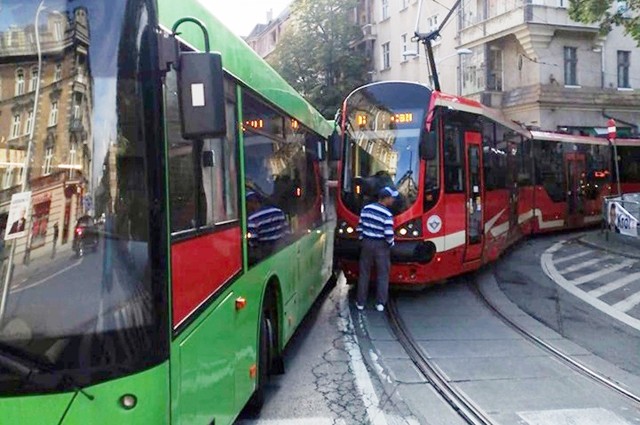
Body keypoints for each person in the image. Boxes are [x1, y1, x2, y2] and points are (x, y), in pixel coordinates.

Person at [356, 186, 398, 312]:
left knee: (364, 274)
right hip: (381, 246)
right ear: (386, 199)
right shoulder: (387, 214)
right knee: (382, 274)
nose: (393, 200)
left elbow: (359, 228)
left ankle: (360, 302)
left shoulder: (366, 209)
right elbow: (389, 234)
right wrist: (391, 244)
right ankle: (380, 303)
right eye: (392, 198)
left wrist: (363, 239)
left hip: (366, 244)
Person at [246, 191, 287, 262]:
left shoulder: (252, 219)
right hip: (281, 247)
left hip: (265, 252)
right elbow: (285, 229)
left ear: (252, 202)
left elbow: (253, 241)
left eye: (247, 203)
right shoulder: (278, 211)